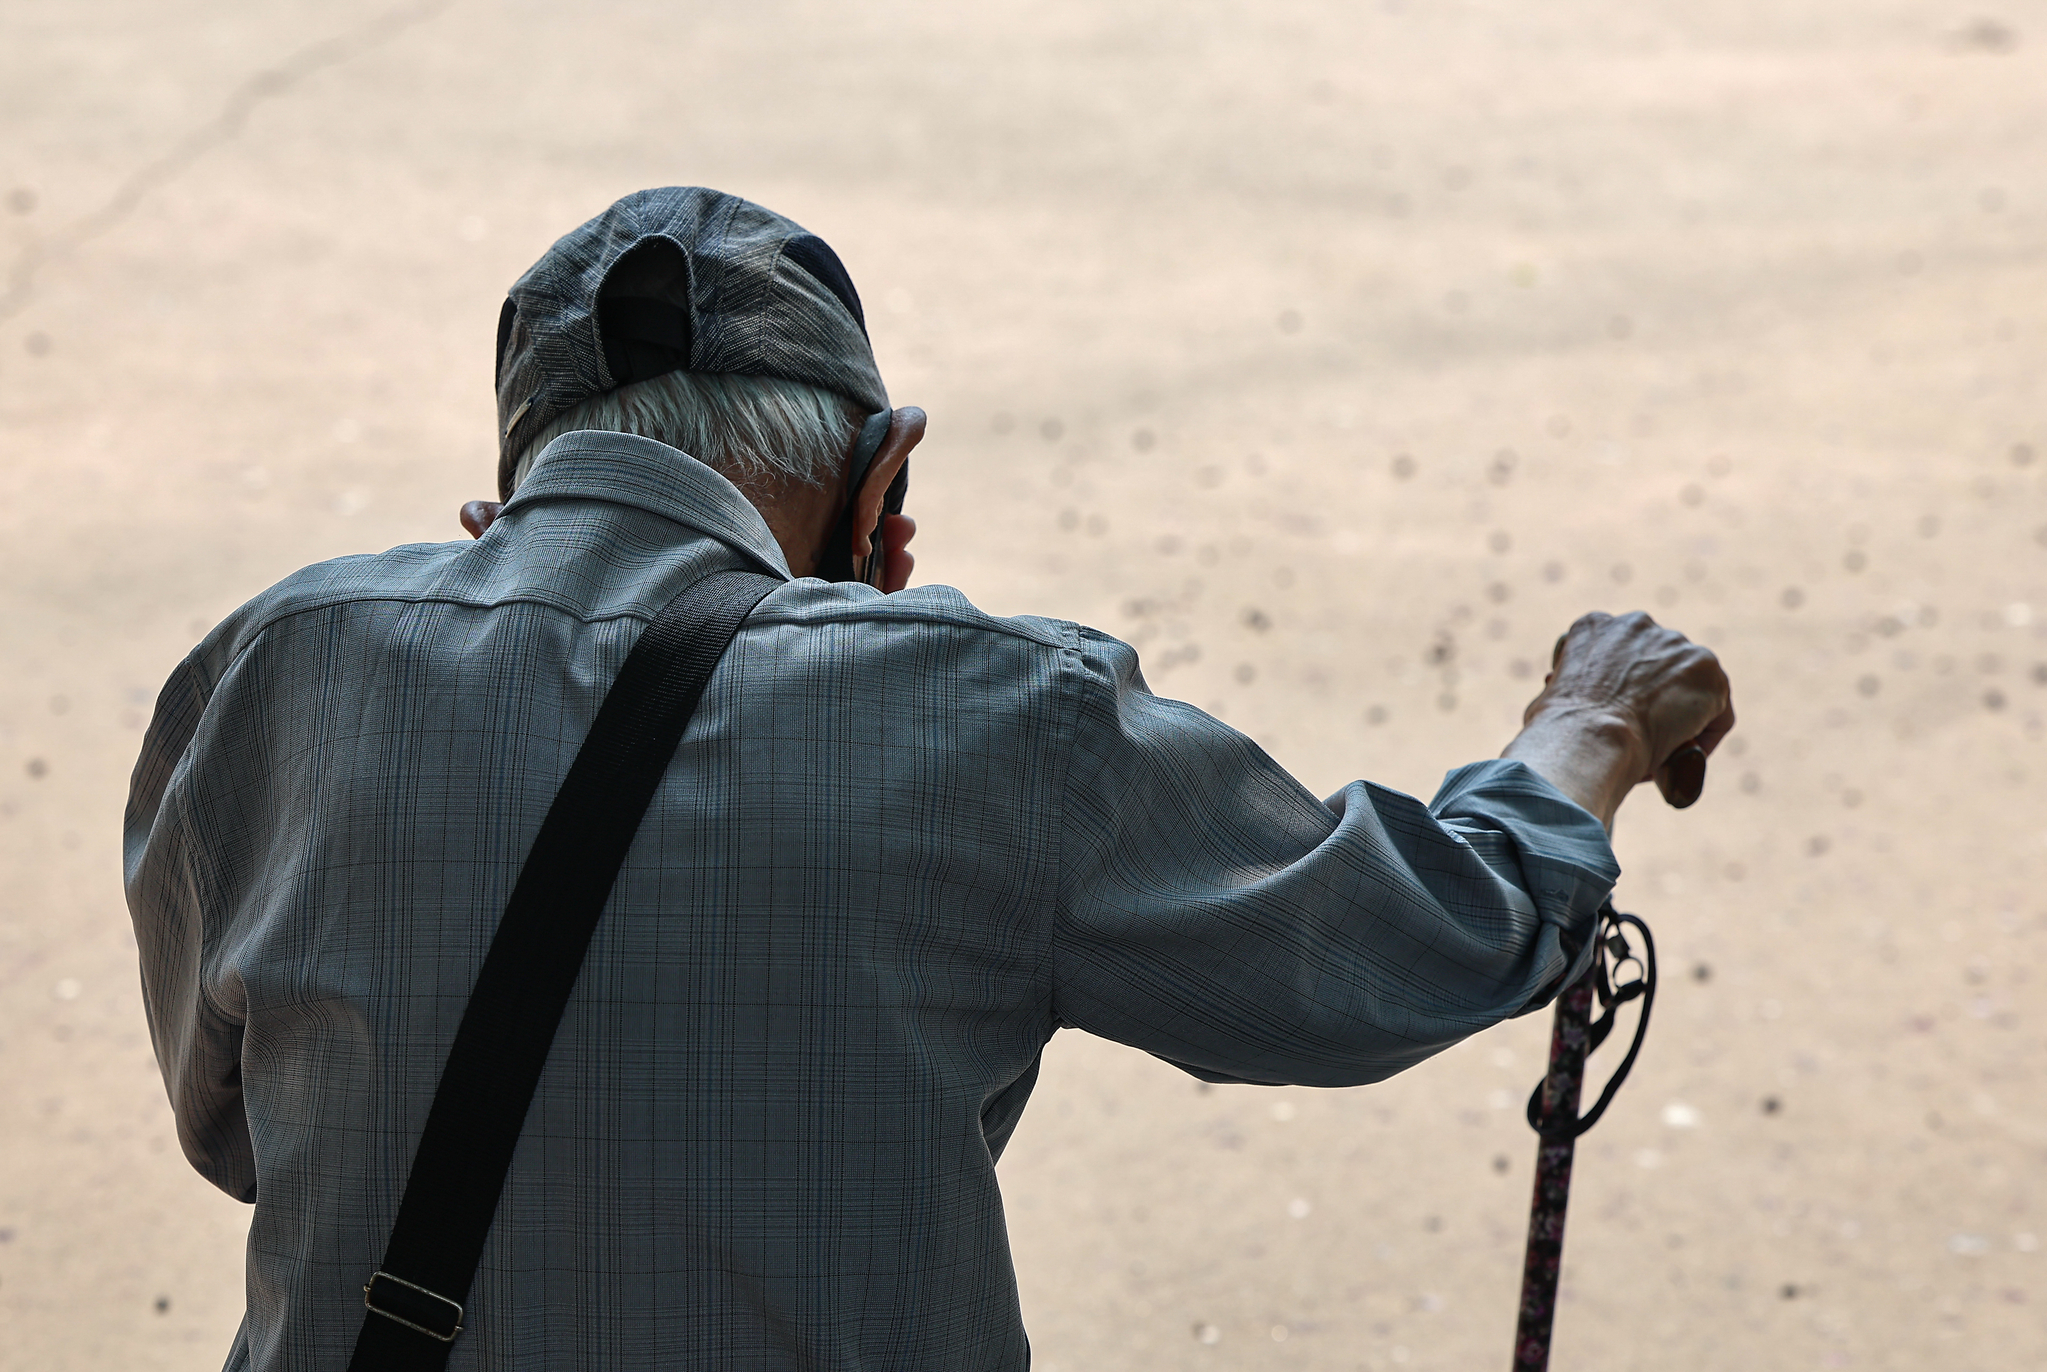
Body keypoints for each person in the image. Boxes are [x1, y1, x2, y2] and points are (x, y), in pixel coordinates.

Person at [124, 186, 1734, 1370]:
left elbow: (246, 1129)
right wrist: (1587, 727)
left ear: (510, 495)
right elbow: (1420, 948)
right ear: (886, 484)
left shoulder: (270, 670)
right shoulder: (989, 713)